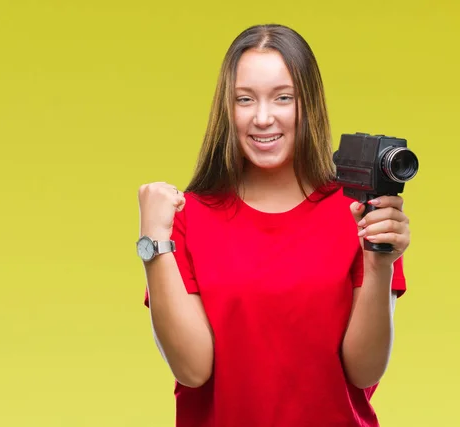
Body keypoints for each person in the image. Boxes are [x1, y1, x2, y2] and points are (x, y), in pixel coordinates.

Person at [136, 23, 410, 427]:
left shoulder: (360, 214)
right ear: (227, 110)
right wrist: (152, 243)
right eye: (245, 99)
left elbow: (365, 371)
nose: (263, 118)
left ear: (308, 105)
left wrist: (379, 262)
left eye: (283, 98)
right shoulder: (185, 218)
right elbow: (192, 371)